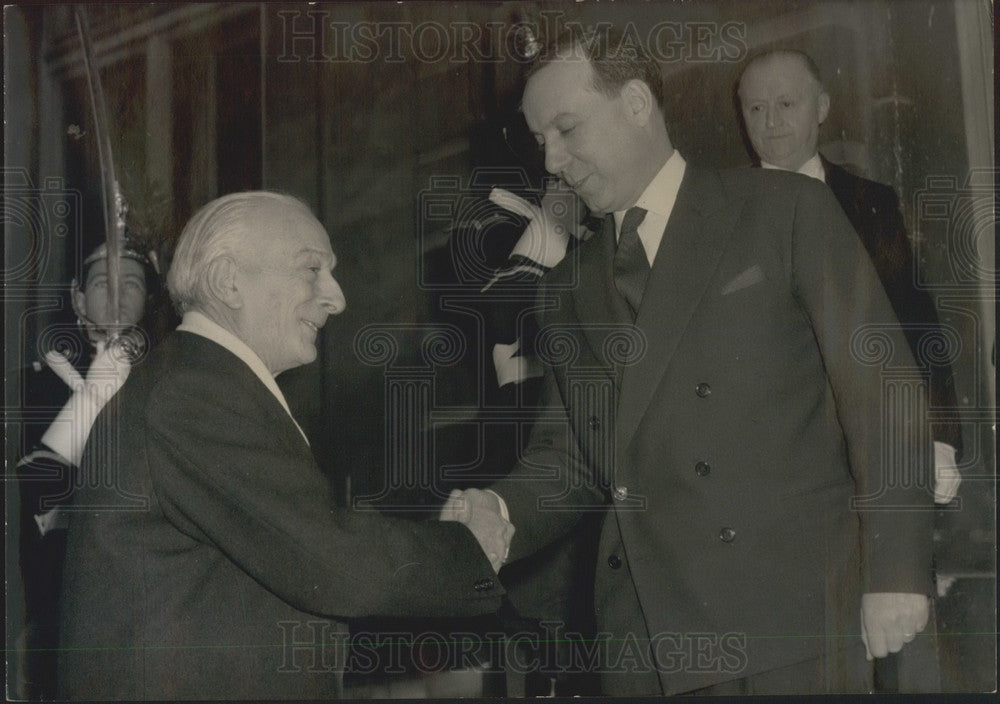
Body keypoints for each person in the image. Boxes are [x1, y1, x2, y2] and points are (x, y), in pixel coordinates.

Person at [442, 27, 934, 696]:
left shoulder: (785, 212)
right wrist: (497, 510)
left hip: (786, 618)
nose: (553, 160)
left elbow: (882, 392)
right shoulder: (566, 285)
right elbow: (572, 459)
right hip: (644, 635)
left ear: (638, 103)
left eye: (567, 129)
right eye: (541, 142)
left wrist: (897, 572)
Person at [56, 191, 511, 700]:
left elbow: (292, 579)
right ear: (230, 280)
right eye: (312, 269)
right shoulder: (193, 393)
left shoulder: (200, 383)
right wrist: (468, 546)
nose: (336, 298)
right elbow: (330, 559)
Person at [736, 48, 962, 505]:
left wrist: (939, 439)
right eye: (755, 108)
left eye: (786, 104)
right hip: (770, 467)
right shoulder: (723, 216)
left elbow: (917, 324)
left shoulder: (872, 205)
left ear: (821, 108)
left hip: (873, 449)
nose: (770, 121)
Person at [15, 238, 158, 700]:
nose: (117, 297)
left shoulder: (171, 377)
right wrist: (92, 394)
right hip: (67, 585)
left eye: (132, 283)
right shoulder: (38, 378)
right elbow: (37, 490)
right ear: (77, 298)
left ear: (151, 300)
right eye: (102, 283)